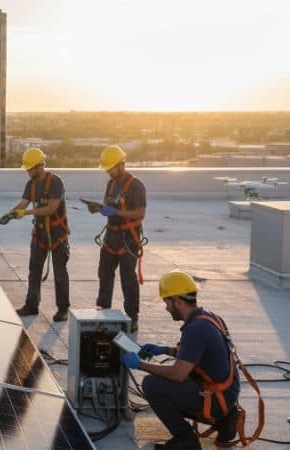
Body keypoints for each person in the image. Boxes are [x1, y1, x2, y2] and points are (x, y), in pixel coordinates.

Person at [122, 270, 240, 450]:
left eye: (167, 302)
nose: (167, 308)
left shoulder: (196, 329)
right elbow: (199, 353)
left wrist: (141, 365)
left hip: (216, 399)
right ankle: (226, 422)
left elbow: (178, 374)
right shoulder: (210, 318)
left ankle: (185, 439)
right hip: (228, 394)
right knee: (171, 378)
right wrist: (165, 350)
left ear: (177, 301)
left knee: (152, 385)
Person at [3, 148, 70, 322]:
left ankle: (63, 308)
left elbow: (51, 208)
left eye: (30, 168)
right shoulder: (31, 184)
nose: (27, 172)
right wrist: (10, 214)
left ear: (39, 166)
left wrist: (24, 214)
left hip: (57, 234)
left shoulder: (56, 182)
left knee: (60, 271)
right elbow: (24, 203)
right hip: (39, 233)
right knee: (34, 269)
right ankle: (31, 305)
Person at [94, 145, 146, 330]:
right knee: (104, 273)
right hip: (111, 236)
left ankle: (132, 316)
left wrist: (116, 211)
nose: (108, 171)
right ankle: (103, 309)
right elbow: (109, 205)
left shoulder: (135, 185)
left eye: (111, 167)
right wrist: (100, 209)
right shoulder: (111, 183)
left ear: (121, 164)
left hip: (128, 238)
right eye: (107, 168)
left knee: (127, 277)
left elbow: (140, 213)